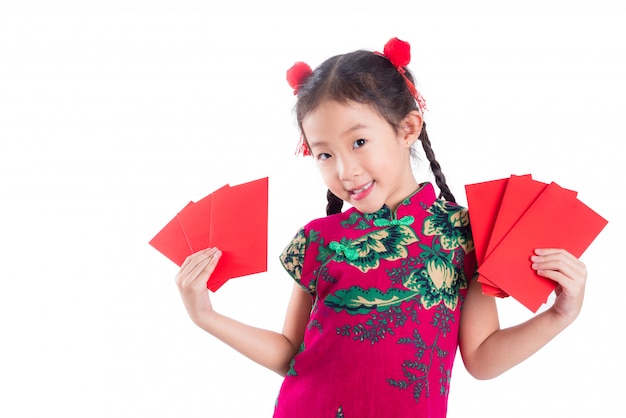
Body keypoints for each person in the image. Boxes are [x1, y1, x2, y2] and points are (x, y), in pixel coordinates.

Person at [175, 38, 587, 417]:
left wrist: (559, 315)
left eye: (358, 143)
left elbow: (481, 357)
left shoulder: (465, 235)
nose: (345, 171)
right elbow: (289, 353)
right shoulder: (319, 238)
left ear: (407, 128)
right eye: (324, 154)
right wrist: (206, 315)